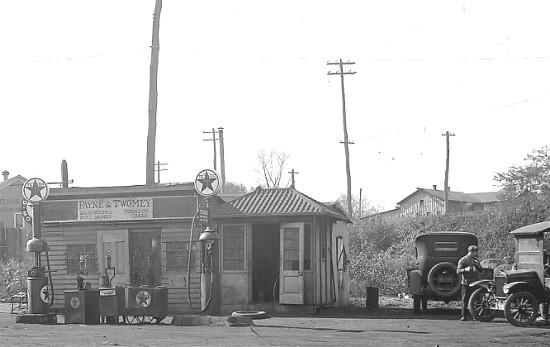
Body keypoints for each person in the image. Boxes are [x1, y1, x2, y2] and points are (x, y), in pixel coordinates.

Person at [456, 245, 482, 321]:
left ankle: (475, 315)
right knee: (465, 300)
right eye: (476, 252)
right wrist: (465, 269)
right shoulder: (463, 260)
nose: (477, 253)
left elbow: (481, 270)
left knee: (476, 299)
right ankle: (464, 315)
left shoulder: (475, 260)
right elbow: (458, 271)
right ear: (471, 252)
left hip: (475, 282)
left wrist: (478, 265)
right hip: (466, 283)